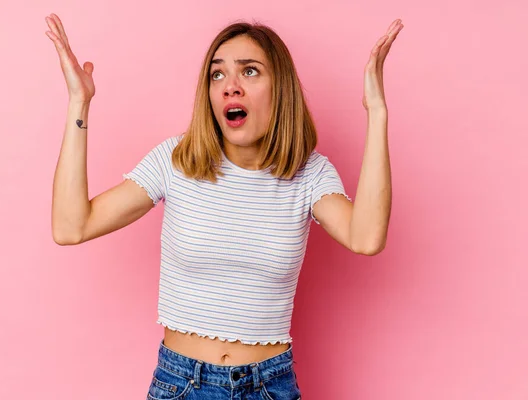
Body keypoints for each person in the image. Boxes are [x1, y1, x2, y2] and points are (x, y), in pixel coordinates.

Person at [46, 13, 402, 399]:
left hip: (269, 386)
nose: (230, 86)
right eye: (217, 75)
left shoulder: (309, 174)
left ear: (279, 88)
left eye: (249, 72)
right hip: (182, 384)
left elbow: (365, 237)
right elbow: (71, 227)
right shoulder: (176, 160)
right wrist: (79, 103)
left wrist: (377, 112)